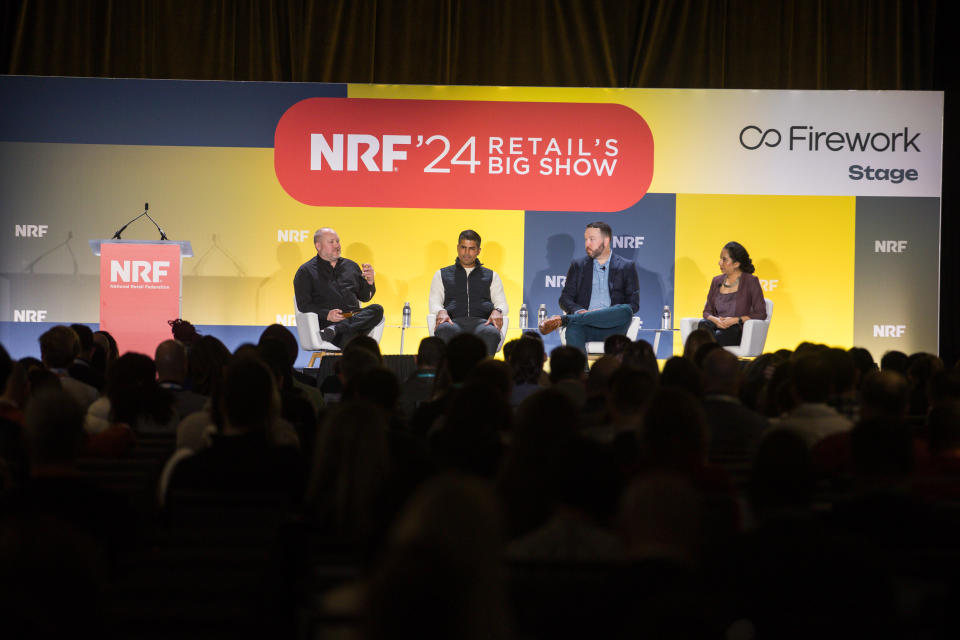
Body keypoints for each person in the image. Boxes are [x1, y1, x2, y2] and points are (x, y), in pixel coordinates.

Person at [538, 221, 639, 353]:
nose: (587, 244)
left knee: (625, 309)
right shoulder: (578, 265)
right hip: (586, 325)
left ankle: (564, 320)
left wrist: (605, 314)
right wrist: (580, 312)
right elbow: (565, 299)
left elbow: (634, 304)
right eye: (586, 239)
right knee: (573, 330)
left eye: (592, 239)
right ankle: (581, 373)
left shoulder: (626, 266)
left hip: (614, 326)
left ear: (606, 241)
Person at [293, 227, 383, 348]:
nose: (337, 245)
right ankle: (339, 331)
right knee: (354, 339)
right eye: (331, 242)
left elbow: (365, 297)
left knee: (377, 309)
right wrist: (327, 314)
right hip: (328, 325)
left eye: (338, 241)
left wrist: (370, 282)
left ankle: (338, 329)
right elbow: (303, 305)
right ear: (318, 246)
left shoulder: (351, 266)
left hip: (352, 322)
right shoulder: (305, 272)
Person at [429, 230, 507, 356]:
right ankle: (448, 373)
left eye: (471, 249)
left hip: (483, 323)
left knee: (491, 333)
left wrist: (497, 310)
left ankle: (484, 373)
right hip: (452, 322)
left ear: (478, 251)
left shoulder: (491, 275)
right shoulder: (442, 274)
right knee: (443, 330)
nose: (466, 253)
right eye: (463, 247)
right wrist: (441, 311)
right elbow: (434, 302)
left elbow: (502, 303)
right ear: (457, 248)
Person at [698, 241, 766, 346]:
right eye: (720, 259)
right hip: (716, 326)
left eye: (724, 259)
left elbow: (761, 313)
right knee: (703, 324)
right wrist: (715, 320)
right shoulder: (716, 281)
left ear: (736, 263)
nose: (720, 263)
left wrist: (735, 320)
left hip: (736, 329)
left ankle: (709, 355)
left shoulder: (750, 281)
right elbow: (707, 311)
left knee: (722, 334)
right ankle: (708, 355)